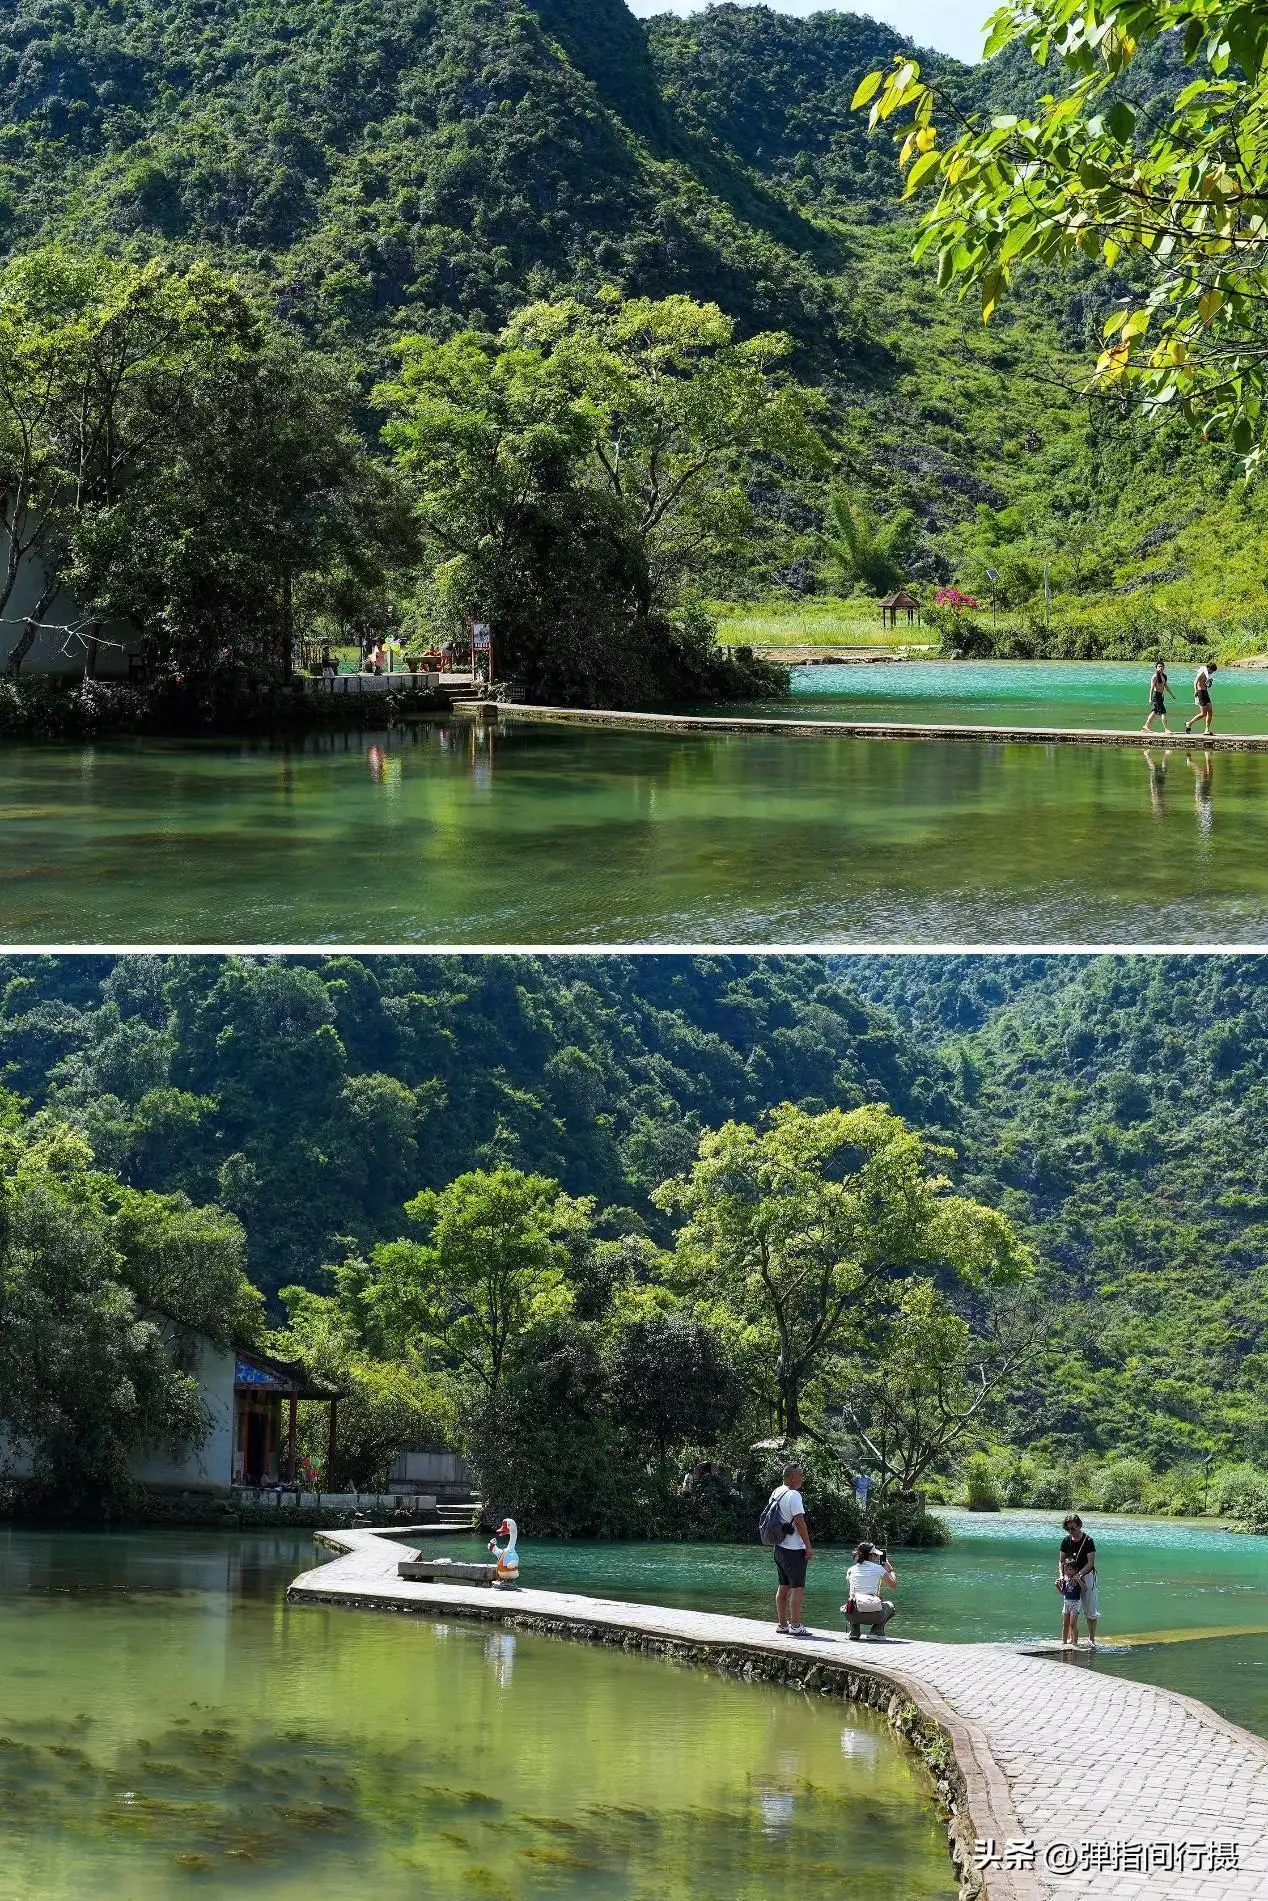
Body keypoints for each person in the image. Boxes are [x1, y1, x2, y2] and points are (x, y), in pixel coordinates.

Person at [768, 1461, 814, 1638]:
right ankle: (795, 1625)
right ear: (792, 1477)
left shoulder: (777, 1492)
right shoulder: (794, 1495)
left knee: (783, 1585)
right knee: (797, 1587)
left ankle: (782, 1624)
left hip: (779, 1547)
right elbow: (800, 1522)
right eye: (800, 1475)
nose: (802, 1478)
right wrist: (808, 1546)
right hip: (794, 1549)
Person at [1057, 1514, 1099, 1647]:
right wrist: (1062, 1576)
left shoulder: (1088, 1541)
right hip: (1069, 1576)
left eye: (1073, 1528)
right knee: (1069, 1605)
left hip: (1086, 1575)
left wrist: (1079, 1574)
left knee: (1090, 1609)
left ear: (1079, 1526)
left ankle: (1091, 1639)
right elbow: (1061, 1561)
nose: (1071, 1531)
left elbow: (1091, 1562)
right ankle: (1071, 1638)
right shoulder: (1065, 1541)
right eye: (1068, 1529)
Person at [843, 1542, 898, 1640]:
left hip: (853, 1615)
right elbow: (893, 1585)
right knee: (891, 1606)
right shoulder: (878, 1568)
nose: (876, 1557)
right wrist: (890, 1569)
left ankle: (854, 1632)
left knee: (852, 1601)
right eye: (876, 1554)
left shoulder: (851, 1570)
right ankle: (876, 1631)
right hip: (874, 1614)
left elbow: (850, 1593)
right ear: (871, 1556)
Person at [1142, 658, 1174, 733]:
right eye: (1159, 666)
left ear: (1164, 668)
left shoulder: (1164, 676)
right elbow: (1152, 688)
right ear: (1156, 668)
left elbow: (1166, 686)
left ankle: (1146, 726)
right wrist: (1150, 698)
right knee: (1159, 712)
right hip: (1155, 696)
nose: (1161, 668)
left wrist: (1172, 694)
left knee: (1158, 712)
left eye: (1162, 666)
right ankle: (1165, 729)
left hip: (1160, 696)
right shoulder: (1155, 676)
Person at [1185, 661, 1217, 735]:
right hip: (1200, 692)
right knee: (1203, 713)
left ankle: (1207, 729)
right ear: (1208, 668)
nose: (1212, 672)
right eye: (1211, 670)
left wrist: (1210, 683)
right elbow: (1195, 681)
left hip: (1205, 692)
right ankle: (1189, 723)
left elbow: (1207, 686)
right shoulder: (1202, 672)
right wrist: (1195, 691)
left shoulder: (1207, 674)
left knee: (1210, 712)